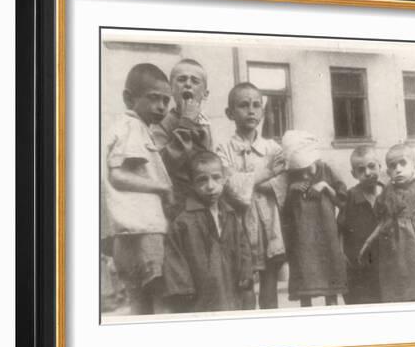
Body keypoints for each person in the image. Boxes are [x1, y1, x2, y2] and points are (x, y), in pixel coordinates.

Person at [104, 63, 173, 314]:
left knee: (139, 305)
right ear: (128, 98)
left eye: (166, 100)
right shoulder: (133, 126)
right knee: (161, 300)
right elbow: (118, 176)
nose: (162, 107)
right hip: (146, 230)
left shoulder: (125, 126)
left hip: (127, 233)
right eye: (154, 98)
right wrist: (162, 187)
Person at [216, 82, 287, 310]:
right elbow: (231, 187)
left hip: (269, 225)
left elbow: (282, 182)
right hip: (239, 225)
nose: (251, 110)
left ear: (263, 112)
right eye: (244, 105)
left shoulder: (273, 148)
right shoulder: (223, 149)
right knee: (243, 285)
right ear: (230, 113)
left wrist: (254, 182)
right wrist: (266, 173)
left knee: (269, 286)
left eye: (256, 105)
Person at [162, 151, 254, 313]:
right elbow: (175, 257)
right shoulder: (184, 221)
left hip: (231, 288)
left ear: (224, 179)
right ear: (192, 184)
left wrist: (245, 272)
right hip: (201, 296)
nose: (210, 186)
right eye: (202, 180)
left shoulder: (230, 215)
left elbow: (243, 246)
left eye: (216, 177)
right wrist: (184, 289)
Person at [358, 144, 415, 302]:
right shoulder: (387, 191)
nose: (398, 169)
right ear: (388, 172)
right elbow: (383, 222)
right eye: (393, 166)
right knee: (395, 291)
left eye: (403, 163)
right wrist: (367, 244)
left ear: (414, 166)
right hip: (391, 250)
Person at [282, 130, 347, 307]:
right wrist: (291, 191)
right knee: (305, 288)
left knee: (331, 285)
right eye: (299, 170)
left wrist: (325, 186)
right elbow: (284, 212)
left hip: (326, 236)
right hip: (302, 240)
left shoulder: (327, 170)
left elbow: (343, 201)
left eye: (307, 169)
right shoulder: (289, 177)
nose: (304, 175)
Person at [151, 59, 214, 219]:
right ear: (172, 89)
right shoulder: (162, 123)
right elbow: (162, 165)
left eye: (195, 81)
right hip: (176, 204)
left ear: (205, 94)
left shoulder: (205, 125)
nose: (188, 84)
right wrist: (185, 123)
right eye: (181, 79)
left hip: (203, 200)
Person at [338, 146, 383, 305]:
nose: (368, 173)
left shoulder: (389, 193)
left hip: (386, 267)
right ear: (354, 174)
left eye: (372, 166)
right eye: (361, 169)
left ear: (380, 166)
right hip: (358, 270)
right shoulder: (350, 197)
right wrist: (342, 256)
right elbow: (340, 229)